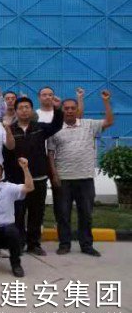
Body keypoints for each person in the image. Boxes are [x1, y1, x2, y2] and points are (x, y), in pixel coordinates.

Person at [48, 90, 114, 257]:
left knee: (86, 214)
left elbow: (109, 121)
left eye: (73, 108)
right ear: (62, 110)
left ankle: (86, 245)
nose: (70, 111)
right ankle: (64, 244)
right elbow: (50, 154)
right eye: (66, 108)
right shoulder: (55, 128)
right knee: (63, 215)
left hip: (85, 178)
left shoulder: (89, 124)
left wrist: (106, 101)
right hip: (63, 179)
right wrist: (54, 175)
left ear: (78, 110)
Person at [4, 96, 63, 256]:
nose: (24, 110)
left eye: (27, 107)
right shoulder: (10, 129)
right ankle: (19, 243)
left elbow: (56, 125)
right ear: (16, 111)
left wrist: (57, 109)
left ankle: (34, 244)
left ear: (31, 110)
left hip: (38, 178)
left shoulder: (40, 128)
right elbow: (7, 153)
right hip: (17, 181)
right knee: (18, 213)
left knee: (36, 213)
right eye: (21, 108)